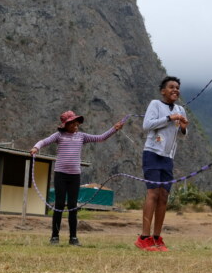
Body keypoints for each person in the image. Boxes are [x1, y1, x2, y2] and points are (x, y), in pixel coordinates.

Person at [31, 110, 123, 246]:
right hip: (60, 175)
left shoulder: (82, 136)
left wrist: (114, 129)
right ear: (65, 125)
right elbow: (44, 141)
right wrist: (35, 148)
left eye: (76, 122)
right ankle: (54, 237)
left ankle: (73, 238)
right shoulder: (59, 136)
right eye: (72, 123)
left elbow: (101, 138)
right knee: (59, 205)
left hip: (74, 176)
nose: (75, 125)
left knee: (73, 206)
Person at [135, 76, 188, 252]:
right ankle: (144, 237)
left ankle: (157, 238)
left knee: (164, 196)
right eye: (171, 87)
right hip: (152, 153)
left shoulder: (180, 109)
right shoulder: (155, 104)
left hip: (168, 157)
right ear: (163, 91)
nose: (175, 90)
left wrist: (182, 126)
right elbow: (146, 125)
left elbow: (181, 134)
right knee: (153, 193)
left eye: (177, 88)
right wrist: (169, 118)